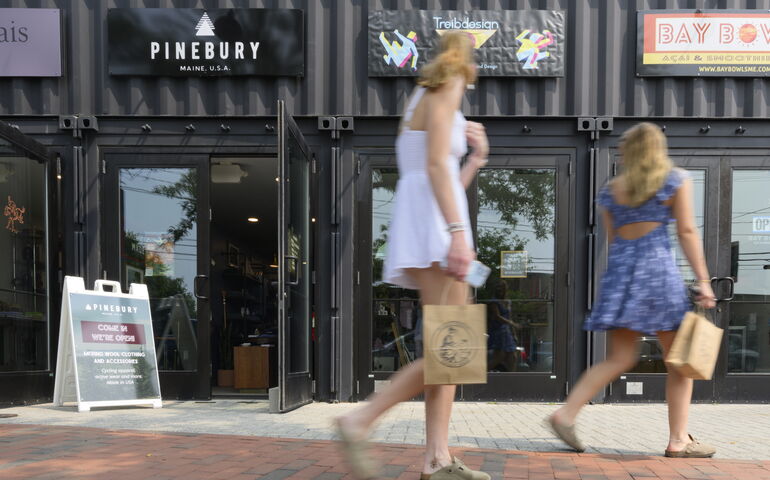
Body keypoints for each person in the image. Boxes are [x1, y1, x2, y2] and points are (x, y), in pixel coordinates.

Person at [334, 31, 490, 480]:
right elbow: (438, 165)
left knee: (451, 347)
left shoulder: (423, 96)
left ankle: (436, 458)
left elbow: (437, 174)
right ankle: (360, 420)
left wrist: (475, 161)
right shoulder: (451, 82)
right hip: (438, 227)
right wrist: (459, 235)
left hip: (429, 218)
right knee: (451, 348)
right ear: (466, 59)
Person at [548, 122, 717, 458]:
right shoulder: (675, 179)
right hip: (657, 273)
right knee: (680, 363)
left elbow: (613, 240)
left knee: (620, 357)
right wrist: (704, 280)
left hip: (621, 275)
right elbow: (686, 230)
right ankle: (679, 440)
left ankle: (565, 414)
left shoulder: (611, 190)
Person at [487, 281, 520, 372]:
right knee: (499, 357)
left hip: (507, 332)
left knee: (513, 356)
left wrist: (514, 334)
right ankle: (482, 374)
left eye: (501, 287)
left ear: (505, 289)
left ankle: (511, 379)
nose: (499, 289)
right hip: (498, 332)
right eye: (498, 287)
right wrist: (512, 323)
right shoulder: (493, 302)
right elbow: (497, 316)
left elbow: (510, 317)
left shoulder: (508, 301)